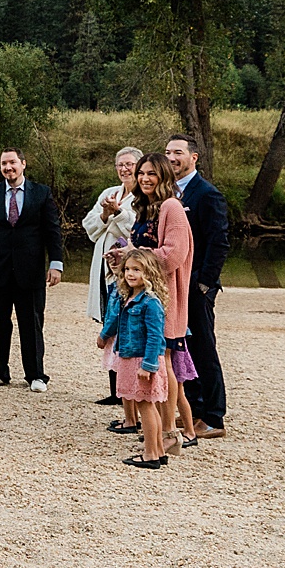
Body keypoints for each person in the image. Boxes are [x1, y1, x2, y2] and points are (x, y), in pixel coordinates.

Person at [0, 148, 65, 391]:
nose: (9, 167)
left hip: (30, 272)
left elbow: (52, 232)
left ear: (23, 164)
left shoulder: (42, 193)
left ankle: (36, 375)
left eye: (13, 162)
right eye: (4, 163)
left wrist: (56, 264)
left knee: (32, 324)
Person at [134, 153, 198, 453]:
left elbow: (173, 255)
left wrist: (137, 259)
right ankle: (159, 430)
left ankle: (171, 432)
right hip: (145, 295)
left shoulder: (172, 207)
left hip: (166, 298)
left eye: (151, 174)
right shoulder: (147, 208)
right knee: (155, 363)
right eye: (140, 173)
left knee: (165, 362)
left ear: (163, 176)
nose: (144, 179)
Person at [167, 133, 230, 438]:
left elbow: (219, 242)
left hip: (196, 286)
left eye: (177, 152)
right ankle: (193, 409)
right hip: (175, 284)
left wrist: (204, 283)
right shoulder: (169, 194)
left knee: (204, 348)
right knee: (182, 347)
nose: (171, 158)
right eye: (167, 152)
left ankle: (215, 417)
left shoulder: (207, 194)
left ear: (194, 157)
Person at [99, 250, 170, 469]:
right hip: (131, 356)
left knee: (145, 406)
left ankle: (150, 454)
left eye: (137, 270)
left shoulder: (150, 303)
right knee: (147, 404)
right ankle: (157, 450)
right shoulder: (129, 297)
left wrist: (148, 366)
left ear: (149, 273)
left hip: (141, 360)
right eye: (128, 269)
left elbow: (155, 337)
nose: (130, 274)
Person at [80, 148, 141, 406]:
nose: (124, 169)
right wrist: (107, 214)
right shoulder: (109, 193)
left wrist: (117, 214)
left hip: (128, 266)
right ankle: (115, 389)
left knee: (125, 324)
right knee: (109, 322)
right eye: (120, 165)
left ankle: (129, 389)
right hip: (104, 264)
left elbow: (135, 228)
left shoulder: (143, 197)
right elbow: (90, 226)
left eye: (129, 164)